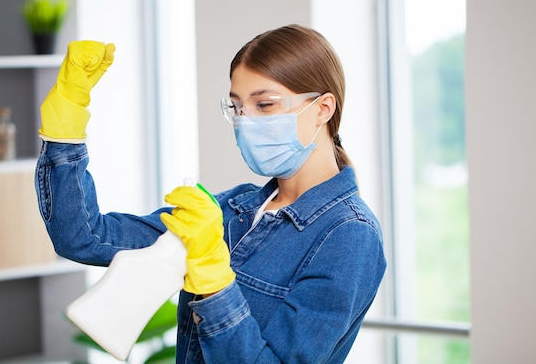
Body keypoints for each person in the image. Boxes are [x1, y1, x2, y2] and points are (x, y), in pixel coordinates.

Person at [35, 24, 386, 364]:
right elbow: (83, 238)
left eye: (264, 105)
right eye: (237, 107)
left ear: (323, 109)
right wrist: (65, 134)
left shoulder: (349, 235)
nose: (246, 121)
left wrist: (216, 285)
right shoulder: (229, 210)